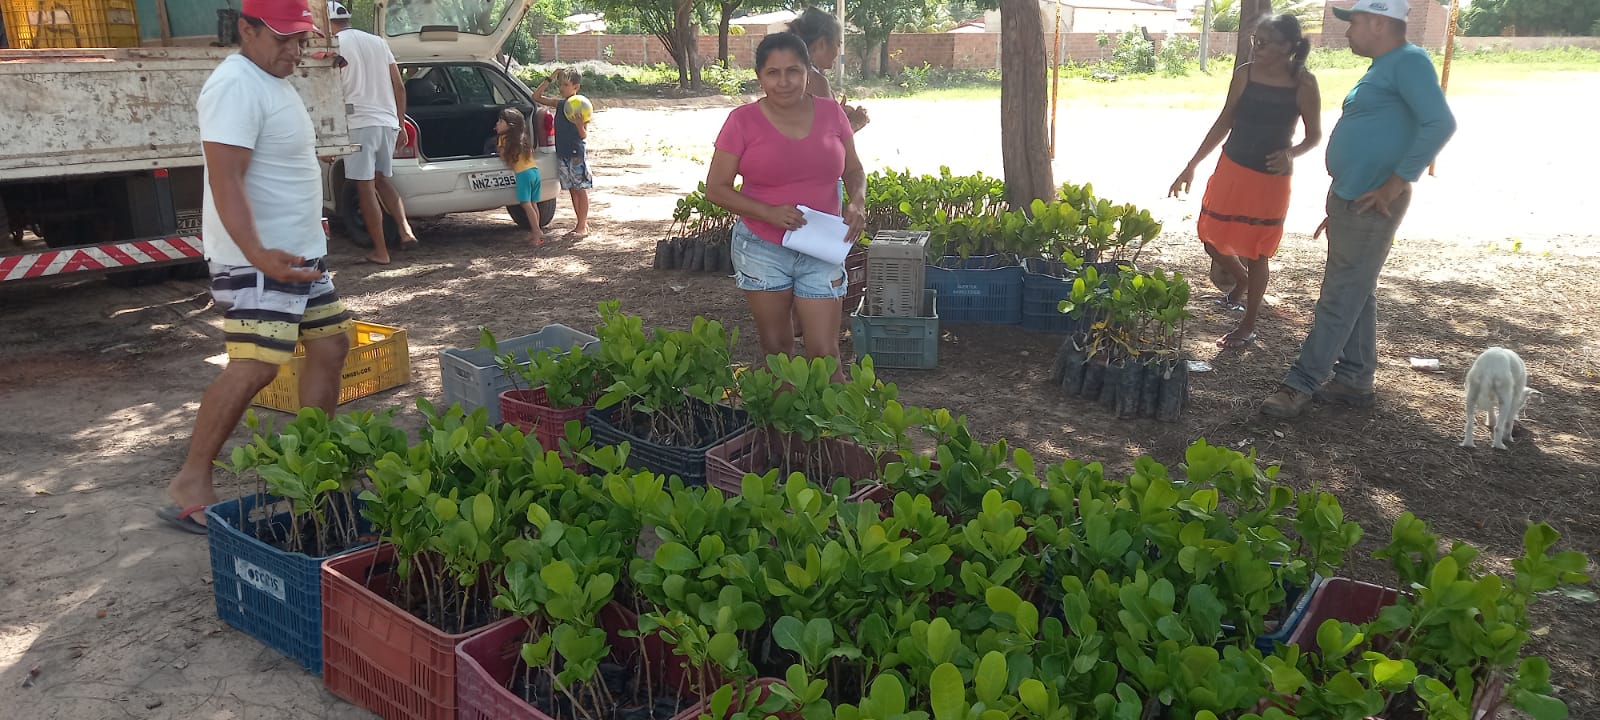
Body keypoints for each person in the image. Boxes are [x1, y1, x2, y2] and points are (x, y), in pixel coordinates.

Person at [160, 0, 353, 532]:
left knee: (332, 343)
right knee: (258, 363)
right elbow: (227, 180)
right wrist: (256, 253)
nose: (295, 50)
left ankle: (310, 470)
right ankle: (191, 480)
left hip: (296, 252)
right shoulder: (235, 84)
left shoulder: (273, 79)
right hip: (258, 257)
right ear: (245, 29)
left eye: (300, 39)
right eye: (282, 39)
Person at [1260, 0, 1455, 418]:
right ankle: (1354, 378)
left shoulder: (1409, 62)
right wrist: (1344, 200)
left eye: (1353, 23)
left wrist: (1394, 183)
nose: (1346, 32)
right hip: (1353, 199)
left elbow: (1439, 122)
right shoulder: (1386, 66)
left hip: (1373, 202)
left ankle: (1301, 383)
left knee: (1338, 297)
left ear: (1379, 23)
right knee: (1356, 291)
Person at [705, 32, 866, 376]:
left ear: (808, 71)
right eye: (772, 73)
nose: (783, 81)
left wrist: (858, 201)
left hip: (821, 246)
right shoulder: (742, 121)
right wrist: (769, 213)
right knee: (778, 350)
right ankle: (783, 432)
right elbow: (716, 188)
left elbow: (854, 170)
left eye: (793, 71)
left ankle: (830, 431)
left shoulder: (831, 114)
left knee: (825, 352)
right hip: (762, 247)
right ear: (759, 76)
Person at [1169, 14, 1320, 349]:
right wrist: (1191, 164)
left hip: (1270, 179)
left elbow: (1314, 136)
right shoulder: (1245, 74)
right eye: (1255, 40)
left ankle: (1248, 324)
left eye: (1264, 42)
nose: (1257, 47)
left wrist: (1291, 153)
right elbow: (1225, 120)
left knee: (1258, 253)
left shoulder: (1303, 83)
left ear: (1288, 47)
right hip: (1232, 167)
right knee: (1210, 238)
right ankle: (1240, 281)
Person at [328, 1, 417, 263]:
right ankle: (405, 230)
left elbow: (329, 91)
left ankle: (381, 252)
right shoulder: (378, 42)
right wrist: (400, 123)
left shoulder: (334, 46)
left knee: (364, 186)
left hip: (358, 122)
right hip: (387, 121)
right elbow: (399, 87)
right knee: (381, 179)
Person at [534, 68, 593, 239]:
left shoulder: (581, 105)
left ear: (576, 86)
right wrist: (550, 77)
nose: (561, 88)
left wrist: (579, 124)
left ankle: (582, 226)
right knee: (572, 190)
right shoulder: (560, 104)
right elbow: (536, 97)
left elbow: (583, 135)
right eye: (560, 84)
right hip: (562, 152)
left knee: (580, 189)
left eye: (565, 85)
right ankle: (581, 223)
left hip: (575, 153)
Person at [495, 107, 544, 247]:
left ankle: (536, 233)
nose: (497, 124)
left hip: (523, 174)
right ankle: (538, 230)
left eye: (500, 121)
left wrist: (499, 149)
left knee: (526, 204)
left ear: (510, 125)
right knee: (533, 204)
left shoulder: (504, 139)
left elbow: (506, 159)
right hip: (535, 172)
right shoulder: (524, 138)